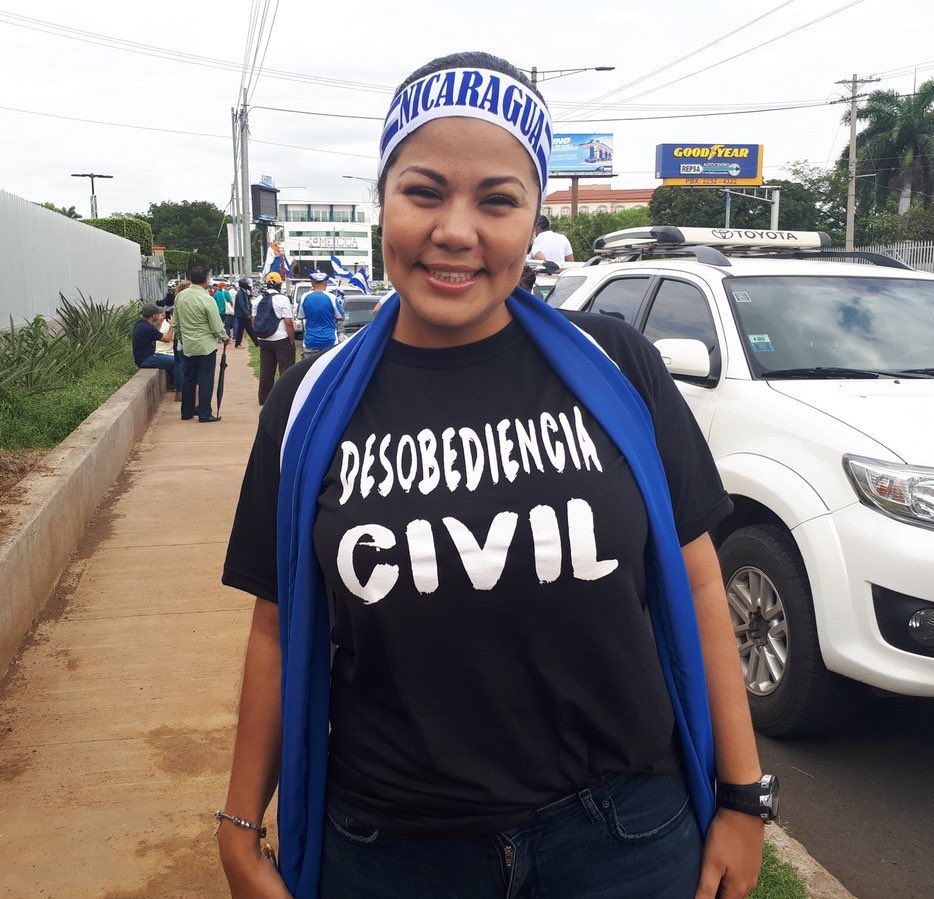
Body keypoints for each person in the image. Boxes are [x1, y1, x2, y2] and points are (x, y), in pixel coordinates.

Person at [219, 52, 768, 899]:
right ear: (383, 201)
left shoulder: (615, 367)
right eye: (425, 191)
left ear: (534, 218)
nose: (456, 230)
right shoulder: (307, 406)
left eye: (498, 200)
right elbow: (277, 628)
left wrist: (742, 797)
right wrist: (240, 827)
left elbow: (699, 584)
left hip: (624, 839)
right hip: (391, 852)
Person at [174, 265, 229, 423]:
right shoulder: (207, 299)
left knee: (188, 378)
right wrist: (224, 337)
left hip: (188, 345)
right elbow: (216, 325)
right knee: (206, 379)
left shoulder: (180, 296)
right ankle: (204, 413)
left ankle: (186, 412)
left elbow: (176, 323)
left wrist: (182, 338)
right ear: (205, 280)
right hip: (206, 346)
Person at [253, 271, 296, 405]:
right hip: (281, 339)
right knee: (286, 370)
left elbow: (253, 320)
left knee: (266, 371)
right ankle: (285, 399)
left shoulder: (258, 299)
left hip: (264, 340)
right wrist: (292, 340)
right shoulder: (282, 299)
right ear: (279, 284)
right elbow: (288, 323)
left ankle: (264, 399)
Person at [131, 303, 181, 391]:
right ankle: (179, 389)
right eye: (158, 313)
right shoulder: (147, 328)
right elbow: (167, 339)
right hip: (147, 360)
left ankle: (173, 384)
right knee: (177, 362)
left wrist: (159, 323)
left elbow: (154, 334)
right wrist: (172, 326)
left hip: (145, 357)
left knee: (172, 359)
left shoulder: (140, 324)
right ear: (153, 315)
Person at [300, 271, 344, 363]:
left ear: (312, 283)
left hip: (310, 340)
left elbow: (301, 316)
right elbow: (341, 317)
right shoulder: (331, 297)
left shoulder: (304, 297)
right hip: (329, 340)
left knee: (309, 369)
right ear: (326, 283)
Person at [233, 278, 257, 348]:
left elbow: (246, 302)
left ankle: (256, 343)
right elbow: (242, 305)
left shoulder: (244, 292)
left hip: (243, 315)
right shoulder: (240, 293)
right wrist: (247, 314)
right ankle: (238, 344)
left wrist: (250, 296)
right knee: (246, 329)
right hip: (242, 315)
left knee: (248, 329)